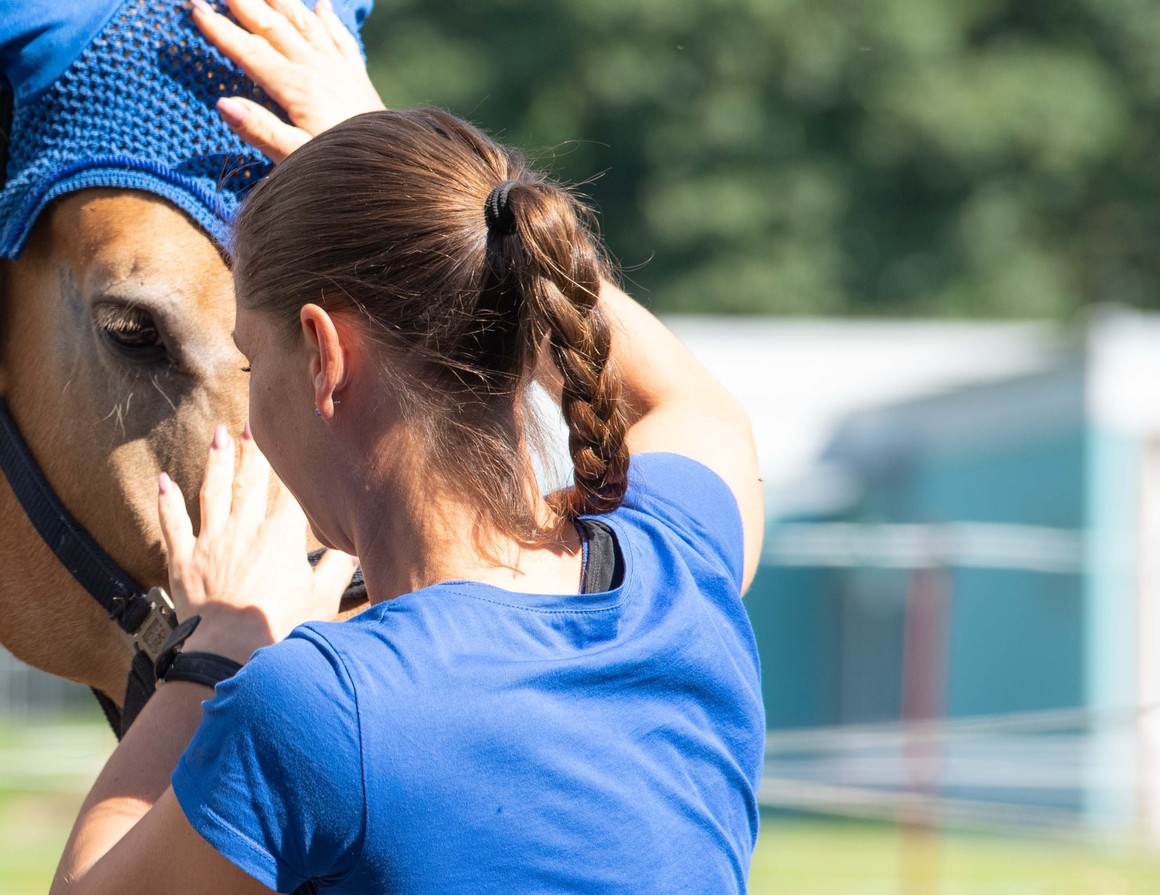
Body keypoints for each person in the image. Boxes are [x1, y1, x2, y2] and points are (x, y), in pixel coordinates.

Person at [49, 1, 768, 892]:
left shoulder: (316, 709)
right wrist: (458, 212)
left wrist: (215, 648)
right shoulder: (680, 573)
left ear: (324, 355)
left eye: (249, 357)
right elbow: (692, 401)